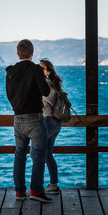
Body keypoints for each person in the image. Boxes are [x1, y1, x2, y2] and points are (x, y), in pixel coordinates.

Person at [6, 39, 52, 203]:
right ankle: (36, 191)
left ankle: (19, 192)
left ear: (18, 54)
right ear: (32, 53)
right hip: (35, 118)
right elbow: (45, 92)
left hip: (18, 118)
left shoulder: (11, 72)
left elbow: (9, 95)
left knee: (19, 155)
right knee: (38, 155)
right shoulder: (35, 70)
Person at [39, 59, 62, 194]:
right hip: (56, 123)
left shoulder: (47, 86)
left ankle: (39, 186)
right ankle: (53, 185)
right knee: (48, 155)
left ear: (48, 71)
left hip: (47, 122)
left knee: (36, 154)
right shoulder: (55, 85)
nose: (39, 71)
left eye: (42, 68)